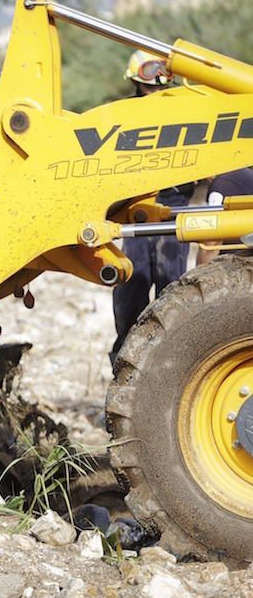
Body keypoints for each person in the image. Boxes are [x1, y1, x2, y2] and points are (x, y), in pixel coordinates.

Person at [110, 50, 195, 363]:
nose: (157, 87)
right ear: (136, 80)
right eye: (150, 81)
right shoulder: (124, 114)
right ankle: (125, 358)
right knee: (131, 284)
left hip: (173, 204)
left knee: (171, 284)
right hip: (133, 208)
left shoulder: (185, 111)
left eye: (161, 82)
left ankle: (172, 361)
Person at [197, 167, 253, 265]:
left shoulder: (222, 184)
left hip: (238, 265)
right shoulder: (241, 175)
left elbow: (211, 243)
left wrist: (198, 277)